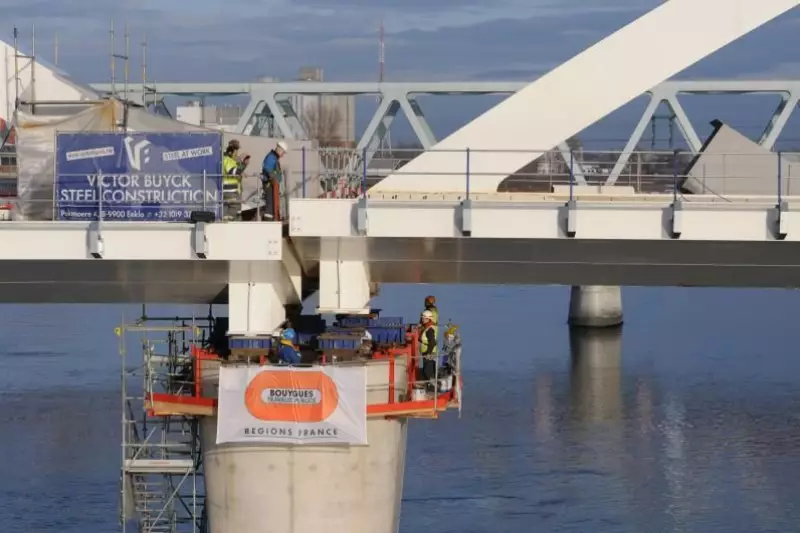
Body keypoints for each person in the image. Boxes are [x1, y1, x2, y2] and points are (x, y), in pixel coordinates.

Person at [261, 141, 288, 220]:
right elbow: (267, 168)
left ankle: (272, 221)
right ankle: (269, 224)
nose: (283, 155)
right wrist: (274, 179)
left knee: (273, 206)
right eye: (283, 152)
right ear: (279, 149)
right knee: (270, 207)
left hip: (273, 186)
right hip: (270, 186)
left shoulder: (274, 158)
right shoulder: (271, 157)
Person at [419, 309, 438, 390]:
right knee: (427, 370)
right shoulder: (427, 327)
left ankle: (431, 388)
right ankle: (429, 386)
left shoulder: (429, 330)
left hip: (428, 353)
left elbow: (432, 342)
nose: (422, 319)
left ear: (428, 319)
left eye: (423, 318)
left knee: (428, 371)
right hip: (427, 352)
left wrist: (428, 353)